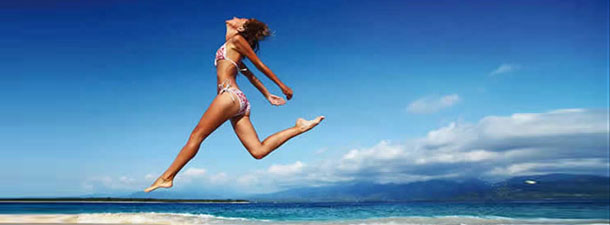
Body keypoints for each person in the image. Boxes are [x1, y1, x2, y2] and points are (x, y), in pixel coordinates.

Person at [144, 17, 324, 192]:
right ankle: (299, 128)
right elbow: (249, 74)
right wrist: (267, 94)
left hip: (229, 95)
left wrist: (282, 86)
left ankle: (167, 177)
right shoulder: (232, 47)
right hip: (238, 102)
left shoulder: (237, 40)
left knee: (196, 136)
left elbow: (259, 64)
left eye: (241, 19)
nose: (235, 17)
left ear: (241, 29)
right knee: (258, 151)